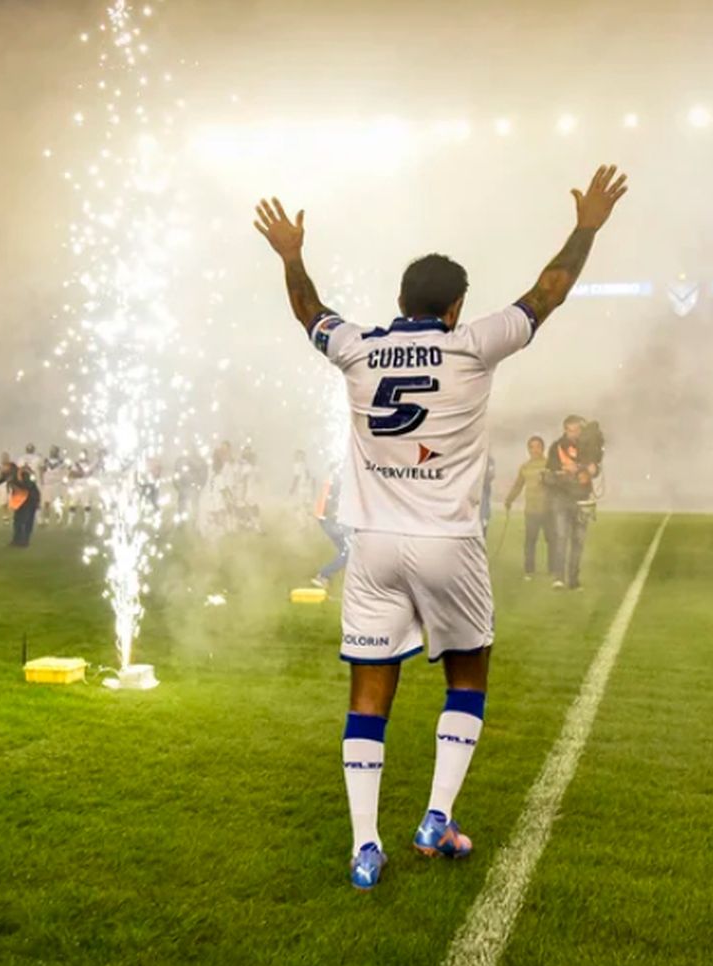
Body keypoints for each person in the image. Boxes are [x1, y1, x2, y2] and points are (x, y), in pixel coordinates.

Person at [253, 163, 629, 889]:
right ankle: (435, 817)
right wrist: (585, 230)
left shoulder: (358, 348)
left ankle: (365, 847)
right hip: (448, 544)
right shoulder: (472, 343)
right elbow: (545, 295)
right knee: (468, 677)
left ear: (399, 300)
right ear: (456, 308)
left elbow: (310, 312)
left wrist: (291, 254)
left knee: (368, 695)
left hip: (373, 544)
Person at [544, 415, 597, 589]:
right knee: (561, 537)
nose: (575, 433)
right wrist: (565, 470)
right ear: (565, 429)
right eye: (572, 430)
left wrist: (591, 469)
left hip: (582, 498)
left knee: (578, 540)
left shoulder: (589, 447)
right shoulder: (556, 447)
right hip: (561, 497)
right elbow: (550, 471)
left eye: (578, 430)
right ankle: (559, 577)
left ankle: (573, 579)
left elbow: (595, 469)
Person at [503, 435, 549, 579]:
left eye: (538, 447)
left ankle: (554, 570)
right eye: (532, 447)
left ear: (543, 448)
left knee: (552, 541)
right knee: (530, 541)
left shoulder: (550, 464)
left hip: (549, 510)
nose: (535, 450)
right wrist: (509, 499)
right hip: (531, 510)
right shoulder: (525, 467)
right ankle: (529, 571)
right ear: (529, 449)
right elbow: (518, 485)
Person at [311, 463, 351, 588]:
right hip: (329, 517)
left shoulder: (336, 472)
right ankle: (323, 575)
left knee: (347, 549)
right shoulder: (340, 474)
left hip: (327, 516)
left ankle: (327, 576)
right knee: (349, 550)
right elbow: (334, 498)